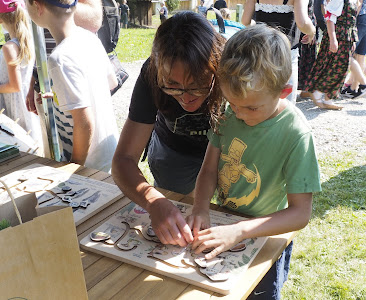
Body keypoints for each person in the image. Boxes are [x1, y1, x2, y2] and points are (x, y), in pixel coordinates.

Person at [186, 25, 321, 299]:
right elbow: (209, 170)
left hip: (265, 237)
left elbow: (300, 214)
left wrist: (239, 231)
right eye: (232, 103)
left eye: (251, 107)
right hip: (226, 226)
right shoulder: (229, 112)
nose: (239, 113)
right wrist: (200, 208)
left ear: (284, 92)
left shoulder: (296, 134)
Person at [112, 11, 225, 247]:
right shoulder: (151, 73)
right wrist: (153, 201)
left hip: (229, 151)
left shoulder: (232, 68)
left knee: (229, 223)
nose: (186, 99)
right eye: (172, 86)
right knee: (177, 225)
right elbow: (123, 159)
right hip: (174, 152)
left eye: (197, 87)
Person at [25, 0, 119, 173]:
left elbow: (84, 123)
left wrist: (74, 168)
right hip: (109, 154)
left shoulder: (59, 59)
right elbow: (111, 82)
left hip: (89, 164)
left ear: (38, 7)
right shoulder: (90, 38)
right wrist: (59, 96)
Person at [241, 0, 316, 105]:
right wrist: (311, 31)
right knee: (286, 99)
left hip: (261, 48)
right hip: (285, 50)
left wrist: (257, 26)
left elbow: (245, 21)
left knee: (261, 93)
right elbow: (302, 22)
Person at [304, 0, 361, 109]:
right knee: (334, 67)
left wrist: (353, 40)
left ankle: (328, 98)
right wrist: (333, 39)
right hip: (338, 36)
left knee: (342, 68)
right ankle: (318, 92)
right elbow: (330, 19)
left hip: (346, 37)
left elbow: (352, 21)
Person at [0, 0, 42, 143]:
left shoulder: (9, 47)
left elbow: (14, 85)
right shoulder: (27, 41)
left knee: (18, 141)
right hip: (24, 100)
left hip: (15, 103)